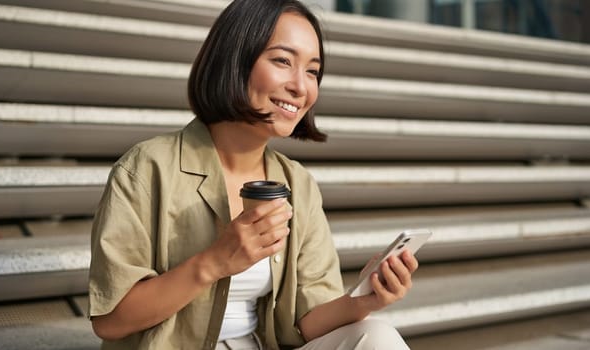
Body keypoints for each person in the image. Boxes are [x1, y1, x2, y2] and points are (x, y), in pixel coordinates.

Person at [88, 0, 418, 348]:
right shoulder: (147, 167)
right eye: (282, 61)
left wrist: (367, 299)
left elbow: (306, 322)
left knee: (377, 336)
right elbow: (111, 321)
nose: (301, 87)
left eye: (312, 71)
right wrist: (216, 261)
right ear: (235, 60)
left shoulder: (298, 185)